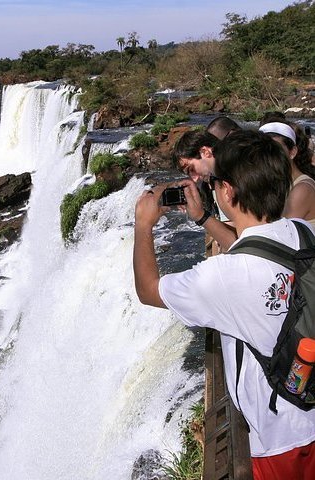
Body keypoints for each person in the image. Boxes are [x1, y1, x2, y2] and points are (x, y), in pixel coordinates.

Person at [133, 129, 315, 480]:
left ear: (227, 191)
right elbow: (257, 247)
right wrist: (203, 218)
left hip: (280, 439)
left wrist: (144, 224)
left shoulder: (223, 276)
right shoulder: (303, 232)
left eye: (215, 182)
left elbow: (149, 290)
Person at [172, 130, 237, 250]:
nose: (195, 179)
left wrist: (200, 216)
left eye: (191, 169)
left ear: (206, 152)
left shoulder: (234, 180)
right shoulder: (216, 180)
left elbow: (235, 243)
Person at [259, 121, 315, 227]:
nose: (269, 156)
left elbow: (278, 236)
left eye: (276, 149)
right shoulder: (276, 184)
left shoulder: (302, 189)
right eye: (263, 150)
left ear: (292, 152)